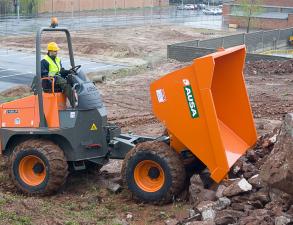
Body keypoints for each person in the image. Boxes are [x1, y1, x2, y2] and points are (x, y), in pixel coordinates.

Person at [41, 42, 76, 107]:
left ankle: (78, 100)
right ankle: (74, 104)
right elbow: (44, 74)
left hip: (57, 79)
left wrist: (69, 71)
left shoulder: (58, 59)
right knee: (65, 84)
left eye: (56, 51)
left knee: (71, 79)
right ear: (50, 51)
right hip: (49, 81)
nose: (56, 52)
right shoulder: (44, 61)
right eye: (55, 51)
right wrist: (54, 75)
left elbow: (60, 71)